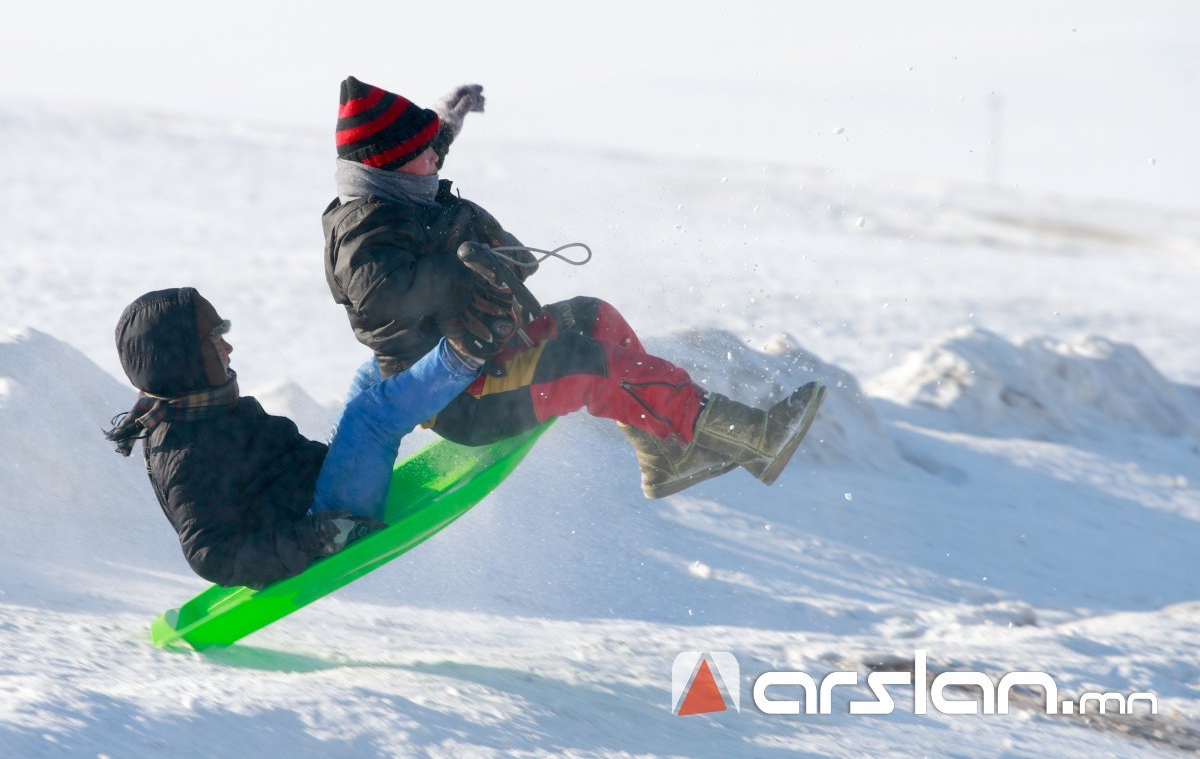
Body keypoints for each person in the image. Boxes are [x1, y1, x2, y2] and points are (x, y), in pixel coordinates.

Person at [322, 76, 826, 500]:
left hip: (494, 348)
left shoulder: (400, 188)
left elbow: (418, 156)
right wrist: (467, 271)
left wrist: (445, 121)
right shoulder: (362, 230)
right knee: (587, 365)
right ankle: (750, 436)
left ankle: (666, 453)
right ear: (384, 167)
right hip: (460, 394)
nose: (434, 158)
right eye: (422, 151)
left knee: (594, 317)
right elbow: (381, 290)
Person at [105, 287, 484, 589]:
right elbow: (210, 554)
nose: (228, 347)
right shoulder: (184, 452)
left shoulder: (202, 408)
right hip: (321, 524)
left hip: (317, 494)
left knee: (373, 375)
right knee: (369, 417)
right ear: (183, 359)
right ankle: (470, 354)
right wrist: (314, 539)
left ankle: (472, 350)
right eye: (215, 340)